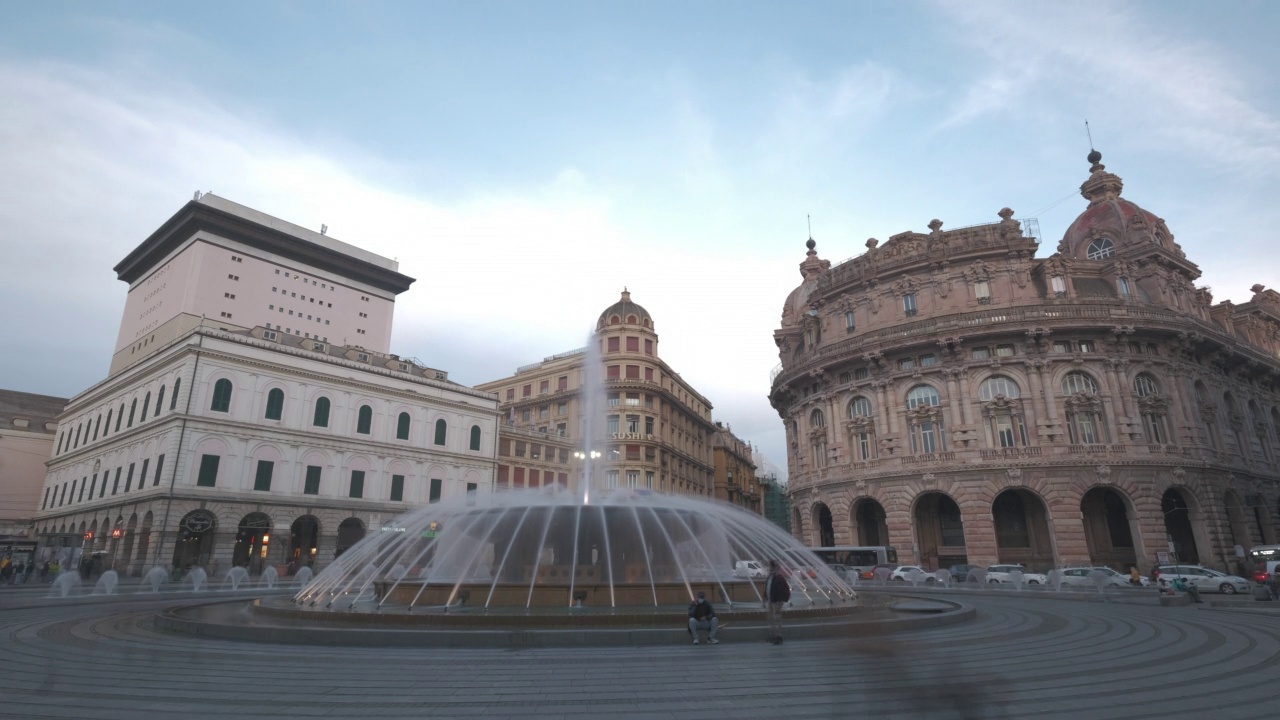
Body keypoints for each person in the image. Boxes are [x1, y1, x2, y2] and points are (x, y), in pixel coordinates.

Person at [765, 559, 791, 645]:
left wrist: (780, 600)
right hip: (770, 600)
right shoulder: (770, 576)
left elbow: (784, 590)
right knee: (771, 618)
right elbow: (767, 588)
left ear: (774, 567)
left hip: (776, 601)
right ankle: (773, 635)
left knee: (777, 618)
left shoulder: (779, 577)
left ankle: (778, 636)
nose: (769, 568)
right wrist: (765, 597)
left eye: (770, 566)